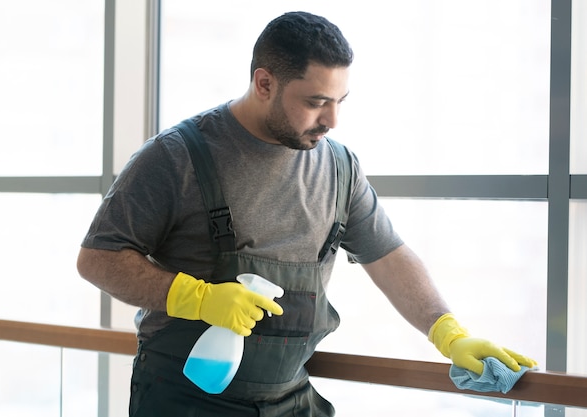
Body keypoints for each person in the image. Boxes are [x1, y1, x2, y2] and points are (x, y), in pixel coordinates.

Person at [77, 11, 536, 416]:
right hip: (183, 401)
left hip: (291, 401)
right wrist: (195, 298)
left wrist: (448, 333)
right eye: (317, 102)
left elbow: (389, 256)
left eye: (340, 101)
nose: (332, 120)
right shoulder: (175, 157)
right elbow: (98, 259)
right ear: (264, 83)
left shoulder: (339, 168)